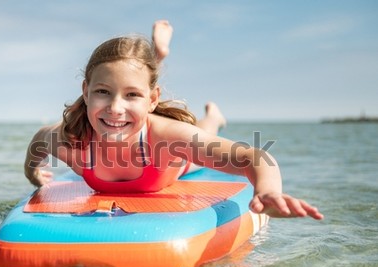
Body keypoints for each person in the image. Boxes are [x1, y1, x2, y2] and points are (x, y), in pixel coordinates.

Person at [24, 20, 323, 220]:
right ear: (85, 92)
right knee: (131, 96)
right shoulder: (71, 140)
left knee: (199, 132)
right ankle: (155, 59)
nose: (114, 108)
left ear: (153, 100)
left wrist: (268, 190)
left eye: (131, 95)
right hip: (145, 120)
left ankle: (214, 116)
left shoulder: (168, 138)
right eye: (102, 92)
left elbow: (253, 157)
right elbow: (37, 142)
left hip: (174, 161)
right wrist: (34, 176)